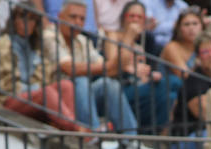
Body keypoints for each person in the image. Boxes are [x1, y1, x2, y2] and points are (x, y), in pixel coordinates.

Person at [41, 0, 139, 135]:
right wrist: (109, 65)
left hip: (81, 97)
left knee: (108, 84)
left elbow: (111, 70)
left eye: (82, 19)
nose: (77, 22)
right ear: (59, 16)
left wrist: (128, 39)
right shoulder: (49, 35)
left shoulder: (83, 41)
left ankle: (131, 138)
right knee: (80, 80)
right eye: (73, 17)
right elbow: (69, 68)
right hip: (55, 97)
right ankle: (94, 133)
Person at [0, 4, 81, 132]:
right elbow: (4, 85)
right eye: (22, 18)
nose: (26, 23)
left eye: (31, 19)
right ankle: (77, 129)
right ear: (14, 20)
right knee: (46, 93)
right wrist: (35, 90)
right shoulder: (2, 45)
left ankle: (65, 127)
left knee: (66, 85)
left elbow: (45, 79)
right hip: (6, 99)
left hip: (33, 98)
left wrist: (36, 91)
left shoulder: (37, 48)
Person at [104, 2, 181, 135]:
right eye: (131, 16)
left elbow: (148, 69)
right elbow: (112, 68)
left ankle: (155, 135)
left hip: (141, 86)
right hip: (120, 88)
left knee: (171, 94)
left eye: (139, 17)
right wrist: (129, 36)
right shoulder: (112, 35)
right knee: (173, 82)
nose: (135, 20)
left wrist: (150, 75)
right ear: (123, 18)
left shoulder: (145, 41)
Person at [159, 8, 205, 75]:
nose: (191, 28)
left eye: (195, 23)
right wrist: (197, 66)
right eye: (186, 24)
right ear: (179, 28)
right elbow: (185, 76)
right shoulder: (171, 47)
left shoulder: (203, 47)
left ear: (202, 27)